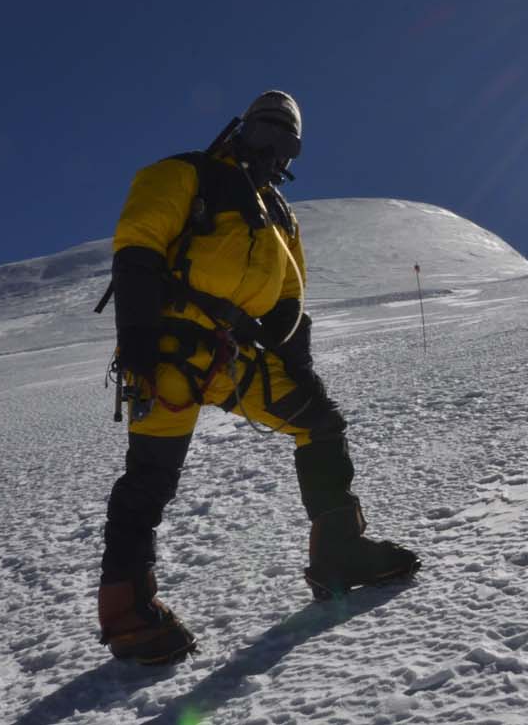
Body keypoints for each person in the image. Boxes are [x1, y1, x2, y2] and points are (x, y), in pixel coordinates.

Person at [97, 90, 419, 665]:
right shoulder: (187, 174)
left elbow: (290, 299)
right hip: (170, 347)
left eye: (287, 140)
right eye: (266, 131)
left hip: (234, 357)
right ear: (242, 128)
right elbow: (138, 244)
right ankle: (127, 612)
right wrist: (140, 339)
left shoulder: (278, 215)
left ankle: (338, 553)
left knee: (320, 423)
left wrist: (300, 369)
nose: (275, 148)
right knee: (151, 477)